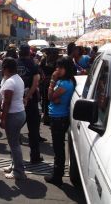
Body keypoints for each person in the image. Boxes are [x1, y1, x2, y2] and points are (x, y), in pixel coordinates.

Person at [44, 56, 76, 186]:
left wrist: (52, 80)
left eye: (60, 68)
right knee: (58, 148)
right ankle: (58, 174)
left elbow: (50, 96)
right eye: (57, 67)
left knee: (58, 148)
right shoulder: (65, 81)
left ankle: (57, 176)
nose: (57, 70)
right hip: (58, 116)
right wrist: (53, 98)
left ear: (66, 68)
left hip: (59, 118)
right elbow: (52, 98)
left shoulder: (64, 83)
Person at [0, 57, 26, 180]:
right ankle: (14, 165)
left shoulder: (10, 82)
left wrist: (3, 119)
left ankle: (19, 171)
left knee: (14, 144)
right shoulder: (17, 79)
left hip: (13, 115)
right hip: (19, 113)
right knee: (14, 142)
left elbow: (7, 102)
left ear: (6, 68)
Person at [17, 45, 44, 164]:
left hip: (16, 101)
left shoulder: (14, 63)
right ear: (29, 53)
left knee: (15, 130)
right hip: (31, 101)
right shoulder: (33, 64)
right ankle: (35, 157)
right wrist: (27, 97)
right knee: (33, 130)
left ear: (19, 52)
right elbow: (36, 82)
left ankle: (16, 158)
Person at [39, 47, 60, 125]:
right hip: (48, 82)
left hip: (52, 82)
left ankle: (49, 117)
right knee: (46, 99)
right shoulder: (45, 60)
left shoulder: (56, 61)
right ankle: (47, 117)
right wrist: (43, 75)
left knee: (49, 99)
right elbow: (40, 68)